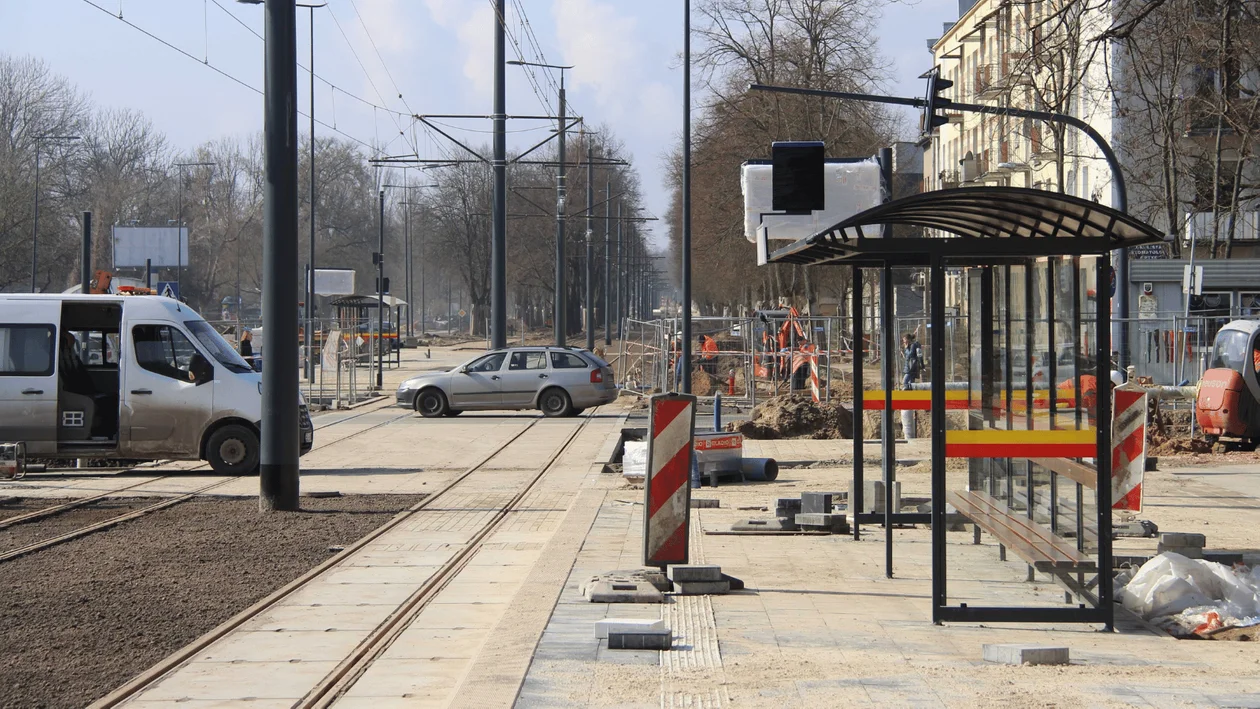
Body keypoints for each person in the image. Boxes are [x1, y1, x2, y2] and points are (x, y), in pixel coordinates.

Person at [901, 331, 923, 440]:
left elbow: (914, 356)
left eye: (904, 340)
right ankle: (912, 399)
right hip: (908, 369)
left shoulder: (914, 346)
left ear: (908, 339)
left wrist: (922, 365)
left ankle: (908, 399)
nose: (903, 342)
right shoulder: (910, 346)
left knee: (905, 383)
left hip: (911, 369)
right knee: (910, 384)